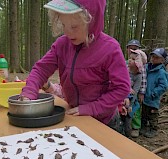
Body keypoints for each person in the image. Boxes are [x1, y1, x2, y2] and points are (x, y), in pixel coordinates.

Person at [20, 0, 130, 132]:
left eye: (74, 27)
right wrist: (29, 93)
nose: (67, 32)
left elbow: (122, 88)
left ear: (92, 22)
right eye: (63, 24)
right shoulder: (62, 45)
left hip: (104, 122)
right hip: (74, 116)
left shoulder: (110, 48)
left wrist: (92, 108)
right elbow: (41, 69)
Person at [139, 48, 168, 138]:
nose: (153, 59)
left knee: (153, 115)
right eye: (153, 56)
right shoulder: (147, 67)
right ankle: (143, 127)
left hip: (153, 98)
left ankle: (153, 129)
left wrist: (154, 93)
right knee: (144, 113)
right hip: (144, 97)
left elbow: (163, 86)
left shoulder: (161, 72)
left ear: (162, 60)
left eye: (156, 57)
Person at [120, 49, 146, 137]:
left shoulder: (138, 76)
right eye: (130, 58)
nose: (130, 60)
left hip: (131, 102)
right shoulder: (125, 70)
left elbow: (135, 91)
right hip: (120, 99)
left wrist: (130, 105)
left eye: (134, 59)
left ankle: (127, 136)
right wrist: (128, 87)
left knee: (128, 119)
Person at [126, 39, 147, 137]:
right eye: (130, 48)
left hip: (134, 94)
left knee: (135, 110)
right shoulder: (125, 64)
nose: (132, 50)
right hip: (123, 93)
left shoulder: (140, 71)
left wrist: (142, 92)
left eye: (135, 49)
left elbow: (143, 81)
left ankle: (135, 127)